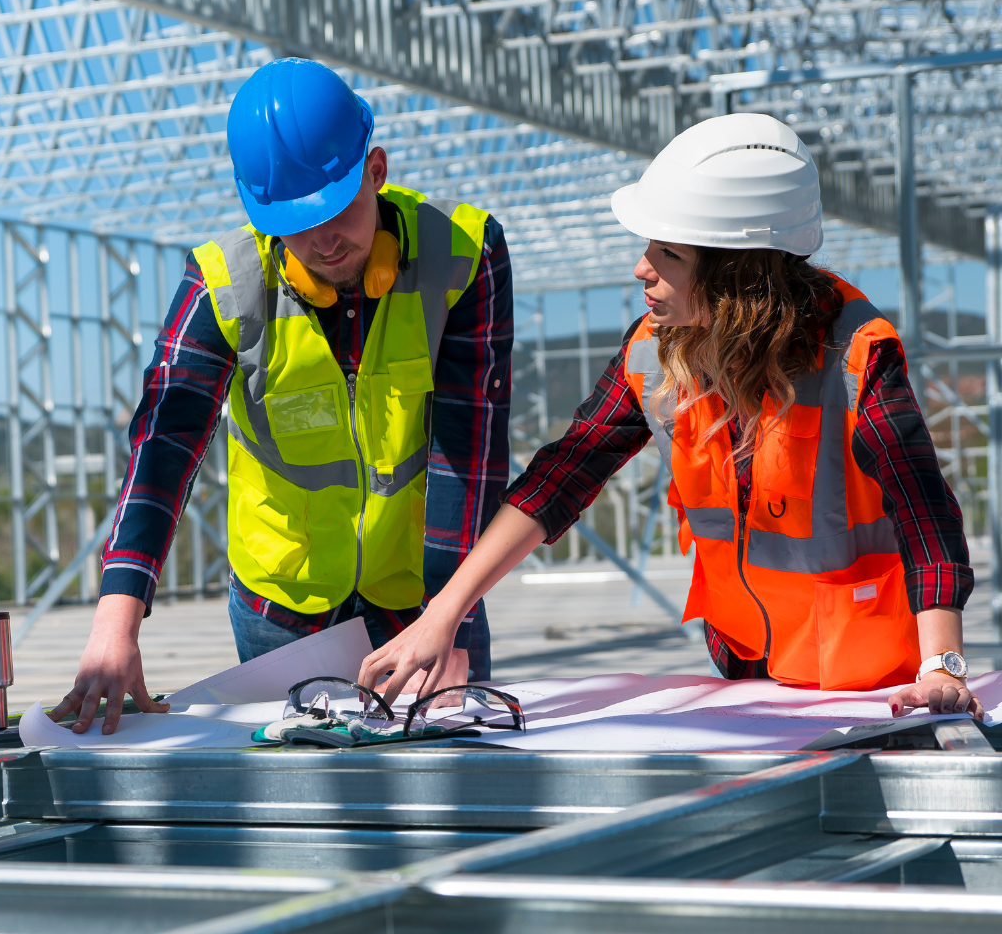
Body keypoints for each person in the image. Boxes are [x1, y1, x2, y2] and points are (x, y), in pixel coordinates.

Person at [360, 113, 983, 721]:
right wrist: (439, 617)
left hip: (874, 689)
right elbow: (562, 476)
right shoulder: (652, 353)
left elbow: (922, 507)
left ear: (736, 274)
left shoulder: (855, 355)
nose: (641, 269)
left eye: (668, 254)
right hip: (751, 677)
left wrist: (944, 665)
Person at [52, 58, 513, 734]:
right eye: (296, 223)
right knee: (307, 811)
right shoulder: (223, 287)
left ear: (376, 170)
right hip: (281, 609)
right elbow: (164, 446)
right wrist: (115, 621)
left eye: (339, 210)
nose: (324, 241)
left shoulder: (462, 256)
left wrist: (453, 618)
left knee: (448, 785)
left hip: (420, 593)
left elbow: (468, 456)